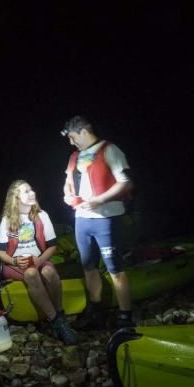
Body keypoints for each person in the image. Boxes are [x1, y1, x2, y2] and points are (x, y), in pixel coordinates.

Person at [61, 115, 135, 330]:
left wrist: (100, 199)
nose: (71, 142)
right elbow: (67, 182)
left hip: (107, 219)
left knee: (115, 270)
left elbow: (126, 182)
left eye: (73, 137)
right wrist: (66, 194)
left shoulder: (109, 150)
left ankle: (125, 316)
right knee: (88, 267)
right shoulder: (74, 157)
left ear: (84, 131)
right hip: (82, 220)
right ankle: (96, 311)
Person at [0, 180, 77, 345]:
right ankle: (57, 322)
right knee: (31, 273)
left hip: (38, 260)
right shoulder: (7, 220)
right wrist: (15, 261)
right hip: (14, 264)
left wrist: (39, 260)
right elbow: (0, 253)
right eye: (26, 191)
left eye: (31, 189)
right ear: (15, 198)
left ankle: (60, 313)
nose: (31, 193)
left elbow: (52, 246)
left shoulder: (42, 215)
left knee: (50, 272)